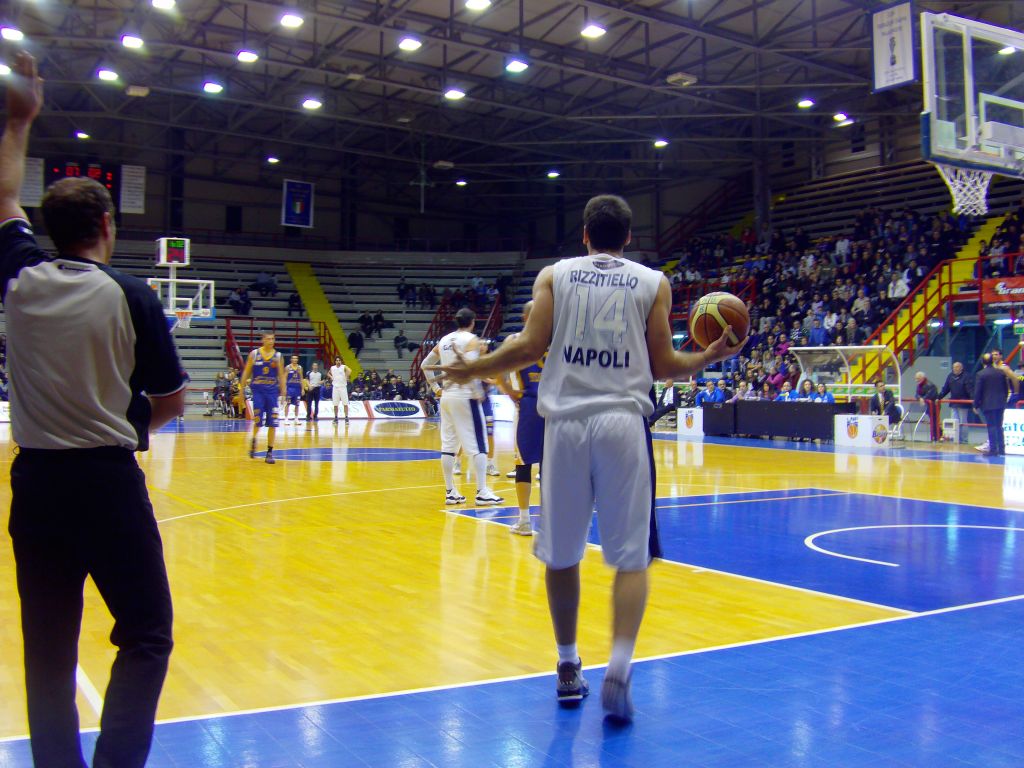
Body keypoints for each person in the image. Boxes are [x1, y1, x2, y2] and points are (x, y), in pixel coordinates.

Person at [428, 194, 744, 721]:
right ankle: (619, 667)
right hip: (623, 424)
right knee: (631, 558)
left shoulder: (554, 275)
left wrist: (474, 369)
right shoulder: (653, 283)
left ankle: (569, 664)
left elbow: (530, 347)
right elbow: (665, 365)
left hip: (567, 424)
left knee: (562, 554)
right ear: (628, 239)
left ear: (584, 235)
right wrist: (708, 356)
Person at [1, 52, 187, 768]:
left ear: (47, 227)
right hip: (108, 482)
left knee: (48, 650)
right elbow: (170, 398)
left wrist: (19, 121)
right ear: (107, 225)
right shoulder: (133, 295)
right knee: (145, 633)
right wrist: (133, 424)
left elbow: (0, 195)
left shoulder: (20, 278)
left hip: (38, 485)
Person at [421, 308, 504, 506]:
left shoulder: (444, 340)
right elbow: (472, 368)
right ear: (473, 322)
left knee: (448, 446)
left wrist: (435, 387)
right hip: (465, 396)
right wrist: (478, 392)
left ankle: (450, 492)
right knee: (479, 444)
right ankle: (482, 491)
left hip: (447, 396)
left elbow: (425, 364)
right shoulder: (472, 340)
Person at [497, 301, 544, 536]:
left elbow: (497, 369)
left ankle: (525, 520)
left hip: (528, 405)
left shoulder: (514, 340)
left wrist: (508, 390)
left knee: (523, 464)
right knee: (552, 465)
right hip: (554, 406)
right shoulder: (556, 338)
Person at [240, 332, 287, 463]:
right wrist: (241, 390)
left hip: (272, 393)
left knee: (273, 423)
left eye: (272, 339)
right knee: (258, 421)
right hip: (258, 392)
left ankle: (270, 452)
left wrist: (283, 392)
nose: (271, 341)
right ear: (263, 340)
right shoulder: (254, 354)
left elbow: (281, 375)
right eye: (268, 339)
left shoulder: (278, 356)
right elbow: (246, 372)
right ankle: (254, 441)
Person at [974, 353, 1009, 456]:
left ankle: (993, 449)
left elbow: (978, 391)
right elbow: (1006, 389)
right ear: (992, 361)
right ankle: (1002, 449)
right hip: (1000, 403)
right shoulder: (1000, 373)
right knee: (999, 426)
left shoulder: (980, 374)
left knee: (991, 426)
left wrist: (976, 404)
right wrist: (1003, 400)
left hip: (988, 404)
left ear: (982, 362)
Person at [938, 361, 973, 443]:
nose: (955, 369)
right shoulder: (950, 376)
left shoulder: (966, 376)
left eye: (957, 367)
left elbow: (970, 390)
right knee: (954, 421)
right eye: (954, 367)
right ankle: (955, 438)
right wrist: (939, 397)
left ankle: (964, 440)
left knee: (963, 422)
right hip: (953, 403)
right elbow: (946, 388)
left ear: (961, 368)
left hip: (964, 403)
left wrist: (973, 400)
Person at [915, 371, 941, 442]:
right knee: (932, 421)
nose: (916, 380)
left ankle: (937, 436)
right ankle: (934, 436)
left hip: (934, 405)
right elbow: (916, 394)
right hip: (928, 405)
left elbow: (931, 394)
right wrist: (920, 398)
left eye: (917, 378)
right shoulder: (919, 385)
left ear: (922, 378)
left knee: (935, 421)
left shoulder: (930, 385)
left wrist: (923, 398)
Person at [329, 356, 352, 422]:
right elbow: (328, 373)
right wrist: (331, 377)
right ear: (335, 361)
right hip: (335, 388)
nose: (338, 361)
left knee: (345, 403)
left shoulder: (344, 367)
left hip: (343, 387)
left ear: (341, 361)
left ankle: (346, 417)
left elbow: (350, 370)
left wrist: (346, 376)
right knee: (335, 404)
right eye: (337, 360)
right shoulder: (332, 368)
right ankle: (336, 417)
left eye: (339, 360)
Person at [283, 354, 304, 424]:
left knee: (297, 404)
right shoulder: (288, 367)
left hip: (297, 388)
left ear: (297, 359)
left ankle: (296, 418)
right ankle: (286, 419)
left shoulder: (300, 368)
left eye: (296, 358)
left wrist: (302, 389)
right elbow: (285, 378)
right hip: (290, 388)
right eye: (293, 358)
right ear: (291, 359)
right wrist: (284, 388)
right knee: (288, 403)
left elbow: (301, 378)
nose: (295, 360)